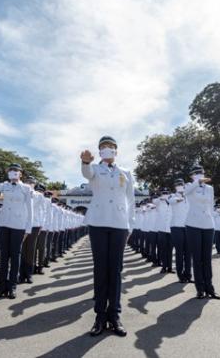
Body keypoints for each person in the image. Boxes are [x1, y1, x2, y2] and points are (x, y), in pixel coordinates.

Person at [80, 136, 134, 337]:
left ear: (116, 151)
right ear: (99, 151)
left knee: (116, 269)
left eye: (110, 147)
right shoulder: (94, 168)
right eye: (103, 147)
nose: (107, 149)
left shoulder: (126, 173)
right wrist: (85, 161)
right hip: (99, 222)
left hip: (120, 224)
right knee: (101, 269)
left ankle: (115, 315)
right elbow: (87, 173)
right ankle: (100, 316)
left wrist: (130, 227)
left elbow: (130, 201)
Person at [0, 163, 33, 300]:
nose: (13, 172)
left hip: (18, 225)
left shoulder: (26, 188)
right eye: (11, 170)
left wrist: (28, 229)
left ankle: (12, 288)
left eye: (16, 170)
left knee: (15, 257)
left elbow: (30, 210)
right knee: (3, 257)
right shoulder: (5, 185)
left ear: (21, 174)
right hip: (4, 223)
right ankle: (1, 288)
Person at [184, 164, 220, 300]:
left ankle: (210, 288)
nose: (200, 174)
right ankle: (200, 289)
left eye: (202, 172)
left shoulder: (210, 188)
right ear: (192, 175)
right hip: (193, 224)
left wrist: (212, 222)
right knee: (197, 258)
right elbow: (185, 193)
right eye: (197, 172)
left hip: (207, 224)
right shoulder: (189, 186)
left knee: (207, 259)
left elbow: (210, 205)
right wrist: (197, 182)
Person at [20, 179, 45, 283]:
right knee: (21, 250)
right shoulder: (21, 192)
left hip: (34, 224)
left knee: (31, 250)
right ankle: (21, 274)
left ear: (34, 184)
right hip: (21, 224)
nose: (29, 183)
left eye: (31, 182)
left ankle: (29, 274)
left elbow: (42, 211)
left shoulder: (39, 195)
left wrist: (41, 225)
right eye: (27, 181)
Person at [169, 179, 191, 283]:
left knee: (188, 252)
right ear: (175, 187)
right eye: (178, 185)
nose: (180, 186)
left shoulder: (188, 196)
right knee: (179, 252)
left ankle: (188, 274)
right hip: (176, 227)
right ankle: (180, 275)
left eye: (181, 184)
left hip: (187, 226)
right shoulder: (172, 196)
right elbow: (172, 202)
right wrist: (181, 197)